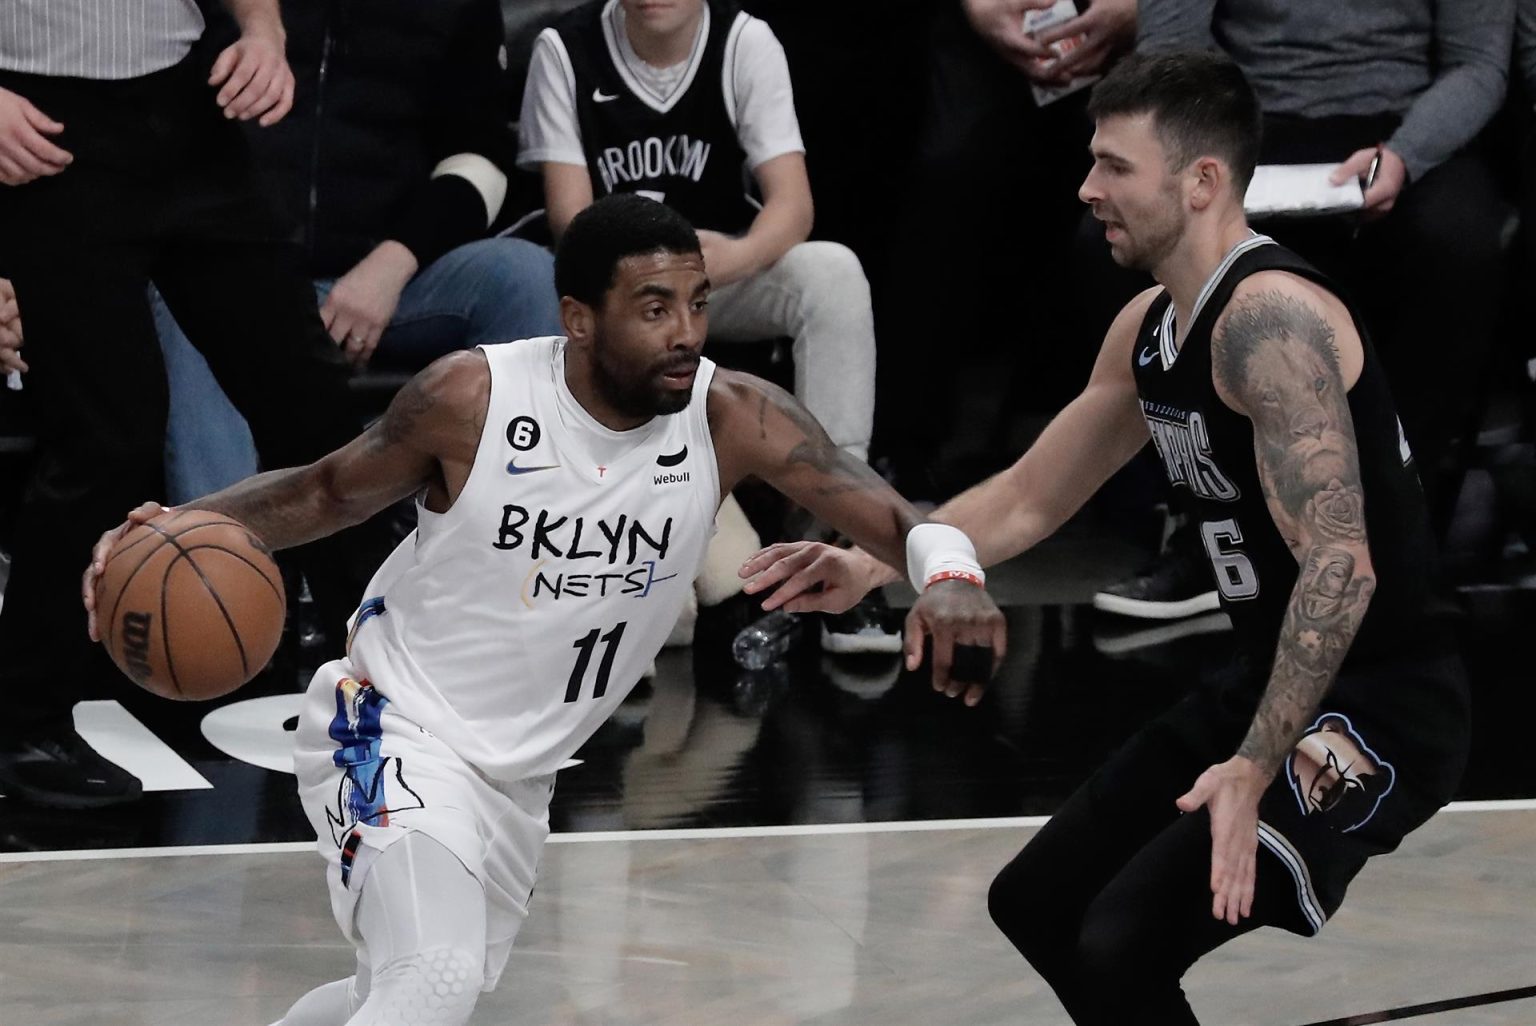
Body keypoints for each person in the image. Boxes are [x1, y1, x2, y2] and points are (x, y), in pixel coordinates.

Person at [82, 194, 1006, 1026]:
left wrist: (952, 577)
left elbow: (885, 513)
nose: (685, 331)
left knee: (399, 992)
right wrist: (166, 532)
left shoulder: (731, 415)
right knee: (433, 979)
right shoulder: (472, 400)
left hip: (518, 774)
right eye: (653, 309)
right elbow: (323, 493)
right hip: (389, 725)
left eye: (695, 303)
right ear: (577, 319)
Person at [740, 53, 1470, 1024]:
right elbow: (1032, 497)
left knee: (1124, 942)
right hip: (1266, 683)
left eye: (1116, 167)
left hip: (1378, 710)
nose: (1088, 189)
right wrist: (879, 562)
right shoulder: (1149, 326)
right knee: (1038, 903)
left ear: (1202, 180)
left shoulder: (1270, 325)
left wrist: (1255, 764)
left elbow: (1342, 565)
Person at [0, 0, 382, 809]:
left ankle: (387, 674)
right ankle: (25, 719)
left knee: (306, 399)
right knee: (109, 433)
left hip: (184, 105)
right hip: (38, 114)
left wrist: (265, 33)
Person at [516, 0, 900, 654]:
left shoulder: (744, 40)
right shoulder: (563, 46)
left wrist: (733, 259)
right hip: (620, 292)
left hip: (718, 268)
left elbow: (792, 203)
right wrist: (659, 280)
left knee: (831, 273)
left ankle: (837, 535)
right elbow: (570, 224)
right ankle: (647, 550)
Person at [151, 0, 564, 504]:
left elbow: (481, 156)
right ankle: (221, 554)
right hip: (236, 267)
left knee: (525, 276)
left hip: (396, 276)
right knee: (192, 297)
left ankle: (503, 532)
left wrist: (393, 263)